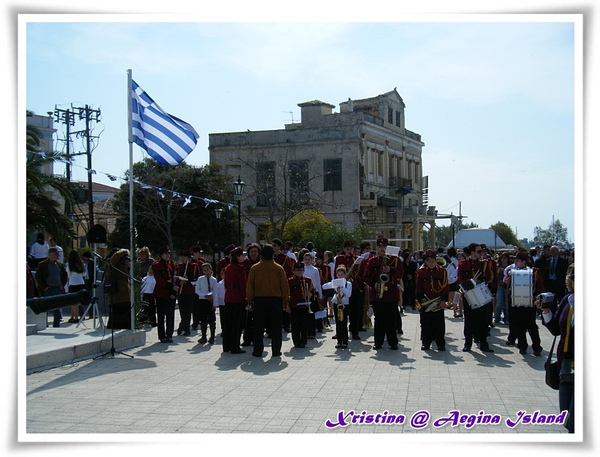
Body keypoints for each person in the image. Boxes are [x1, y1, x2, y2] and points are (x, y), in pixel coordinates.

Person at [539, 263, 575, 434]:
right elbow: (555, 329)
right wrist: (546, 310)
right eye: (574, 277)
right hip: (566, 364)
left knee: (575, 421)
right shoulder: (568, 301)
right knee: (567, 415)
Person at [246, 244, 291, 358]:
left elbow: (250, 286)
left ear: (261, 254)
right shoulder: (278, 268)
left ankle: (258, 351)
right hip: (275, 301)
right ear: (273, 255)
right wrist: (286, 301)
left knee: (258, 328)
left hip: (259, 300)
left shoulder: (255, 268)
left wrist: (250, 300)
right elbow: (284, 286)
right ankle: (276, 351)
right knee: (276, 327)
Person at [363, 238, 404, 350]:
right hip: (377, 295)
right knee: (379, 319)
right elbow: (366, 276)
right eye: (380, 247)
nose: (382, 249)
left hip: (391, 293)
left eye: (384, 246)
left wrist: (390, 270)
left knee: (391, 319)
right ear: (377, 248)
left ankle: (393, 342)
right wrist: (373, 284)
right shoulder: (372, 261)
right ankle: (378, 342)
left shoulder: (395, 260)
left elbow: (401, 273)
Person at [504, 251, 544, 356]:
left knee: (531, 326)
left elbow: (540, 287)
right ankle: (522, 346)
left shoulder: (534, 272)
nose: (515, 262)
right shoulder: (512, 271)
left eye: (517, 260)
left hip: (529, 304)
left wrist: (537, 299)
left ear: (524, 261)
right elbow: (506, 285)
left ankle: (537, 347)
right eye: (515, 260)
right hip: (516, 303)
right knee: (519, 326)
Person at [457, 243, 494, 353]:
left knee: (482, 320)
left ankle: (483, 344)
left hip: (480, 294)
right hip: (468, 295)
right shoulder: (463, 264)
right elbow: (459, 279)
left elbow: (489, 278)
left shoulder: (483, 264)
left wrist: (483, 279)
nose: (481, 253)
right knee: (469, 320)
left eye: (481, 251)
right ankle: (467, 344)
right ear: (472, 252)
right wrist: (469, 284)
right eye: (478, 251)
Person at [415, 249, 449, 351]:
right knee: (426, 324)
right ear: (425, 262)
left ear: (436, 261)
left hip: (438, 302)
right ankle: (426, 343)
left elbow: (445, 287)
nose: (431, 263)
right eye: (429, 261)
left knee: (439, 324)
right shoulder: (421, 272)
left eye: (433, 261)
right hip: (426, 302)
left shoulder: (442, 272)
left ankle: (440, 344)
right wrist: (422, 298)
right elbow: (419, 286)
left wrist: (444, 300)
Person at [222, 246, 247, 354]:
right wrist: (245, 297)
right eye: (242, 255)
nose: (244, 257)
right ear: (237, 257)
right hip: (237, 298)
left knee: (228, 323)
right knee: (237, 324)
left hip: (228, 297)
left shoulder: (227, 267)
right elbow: (243, 285)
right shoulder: (240, 268)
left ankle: (226, 345)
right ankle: (235, 346)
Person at [35, 247, 68, 327]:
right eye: (56, 254)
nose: (57, 255)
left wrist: (62, 285)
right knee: (46, 307)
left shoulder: (59, 264)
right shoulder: (42, 264)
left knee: (57, 307)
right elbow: (38, 277)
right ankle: (44, 324)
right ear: (51, 254)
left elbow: (64, 275)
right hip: (48, 289)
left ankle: (56, 323)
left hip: (57, 289)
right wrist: (44, 287)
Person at [323, 265, 353, 349]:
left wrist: (342, 287)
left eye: (342, 275)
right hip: (337, 303)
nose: (340, 276)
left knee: (344, 323)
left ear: (345, 275)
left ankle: (345, 341)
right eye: (338, 275)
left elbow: (348, 294)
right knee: (338, 322)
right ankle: (339, 341)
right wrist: (333, 284)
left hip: (344, 304)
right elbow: (324, 286)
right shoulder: (335, 282)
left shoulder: (348, 284)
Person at [152, 245, 177, 343]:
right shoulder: (156, 265)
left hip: (171, 293)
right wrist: (170, 287)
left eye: (168, 253)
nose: (168, 255)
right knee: (161, 315)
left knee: (170, 315)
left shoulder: (172, 264)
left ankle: (169, 334)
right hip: (161, 293)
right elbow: (159, 280)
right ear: (161, 255)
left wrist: (173, 292)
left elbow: (174, 277)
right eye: (166, 254)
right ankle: (162, 336)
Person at [288, 263, 316, 348]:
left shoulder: (308, 280)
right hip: (294, 306)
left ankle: (304, 341)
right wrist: (287, 306)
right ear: (294, 271)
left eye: (301, 270)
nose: (299, 272)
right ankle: (296, 341)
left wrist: (310, 294)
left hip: (305, 306)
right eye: (297, 270)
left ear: (303, 271)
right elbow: (287, 294)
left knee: (304, 325)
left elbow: (313, 291)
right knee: (295, 325)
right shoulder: (290, 281)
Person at [105, 248, 132, 329]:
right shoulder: (112, 266)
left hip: (125, 297)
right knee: (116, 321)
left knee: (125, 322)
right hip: (116, 298)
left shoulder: (124, 268)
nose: (128, 261)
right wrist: (124, 251)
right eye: (126, 259)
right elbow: (113, 259)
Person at [175, 249, 200, 337]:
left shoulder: (194, 266)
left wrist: (187, 279)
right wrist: (180, 282)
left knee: (188, 310)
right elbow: (177, 278)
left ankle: (183, 326)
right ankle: (185, 327)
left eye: (189, 258)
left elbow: (196, 279)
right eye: (186, 257)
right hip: (181, 291)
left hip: (190, 291)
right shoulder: (180, 266)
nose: (188, 259)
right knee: (182, 310)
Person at [241, 243, 261, 346]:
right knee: (247, 319)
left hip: (258, 293)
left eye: (255, 251)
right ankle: (247, 339)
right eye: (251, 251)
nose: (253, 253)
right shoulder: (244, 264)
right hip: (247, 293)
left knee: (257, 319)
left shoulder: (261, 264)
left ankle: (256, 339)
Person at [195, 262, 218, 345]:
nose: (206, 272)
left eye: (207, 270)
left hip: (210, 301)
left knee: (211, 319)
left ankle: (212, 337)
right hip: (202, 300)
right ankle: (203, 336)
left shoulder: (213, 280)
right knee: (203, 319)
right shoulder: (200, 279)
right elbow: (197, 290)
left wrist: (215, 304)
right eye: (204, 270)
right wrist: (204, 295)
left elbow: (215, 292)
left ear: (211, 270)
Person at [190, 245, 208, 331]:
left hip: (201, 287)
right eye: (198, 253)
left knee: (200, 305)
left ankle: (200, 320)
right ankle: (195, 322)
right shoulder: (189, 262)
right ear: (194, 253)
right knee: (194, 306)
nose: (200, 254)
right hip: (192, 288)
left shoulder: (201, 263)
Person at [66, 250, 86, 322]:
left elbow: (68, 275)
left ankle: (76, 317)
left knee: (73, 302)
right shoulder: (81, 264)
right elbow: (84, 274)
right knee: (78, 301)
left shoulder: (69, 265)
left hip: (72, 283)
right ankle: (73, 316)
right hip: (80, 283)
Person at [494, 253, 511, 325]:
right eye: (502, 258)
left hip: (507, 286)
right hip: (500, 286)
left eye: (505, 258)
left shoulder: (510, 268)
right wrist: (497, 272)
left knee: (507, 303)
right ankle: (497, 318)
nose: (503, 260)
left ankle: (506, 318)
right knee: (499, 302)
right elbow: (495, 278)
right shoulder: (498, 267)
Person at [445, 247, 460, 317]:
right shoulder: (455, 260)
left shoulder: (451, 260)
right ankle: (455, 310)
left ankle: (454, 310)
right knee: (454, 296)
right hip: (453, 279)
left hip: (450, 279)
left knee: (453, 296)